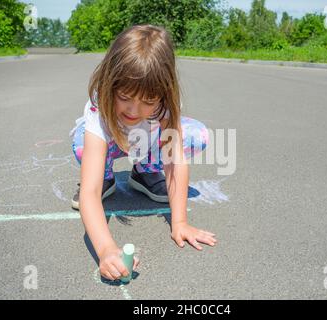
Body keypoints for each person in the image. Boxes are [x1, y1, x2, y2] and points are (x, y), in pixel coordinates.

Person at [69, 24, 217, 281]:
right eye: (124, 96)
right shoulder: (99, 104)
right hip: (110, 141)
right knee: (85, 147)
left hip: (145, 141)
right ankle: (106, 175)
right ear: (109, 82)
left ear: (163, 93)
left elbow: (175, 161)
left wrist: (179, 222)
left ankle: (144, 172)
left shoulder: (165, 105)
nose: (134, 110)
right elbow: (89, 193)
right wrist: (106, 250)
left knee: (197, 135)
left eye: (148, 101)